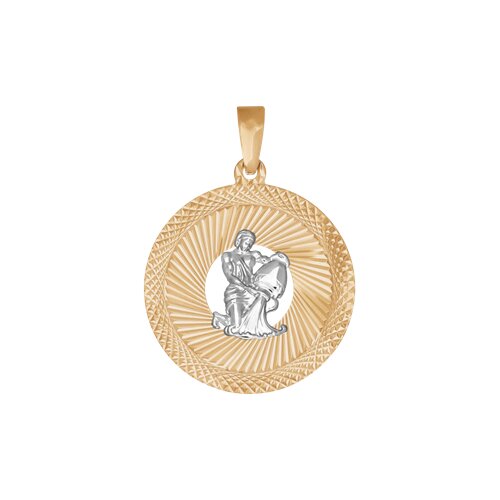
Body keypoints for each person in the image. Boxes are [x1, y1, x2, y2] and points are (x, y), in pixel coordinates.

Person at [212, 229, 289, 339]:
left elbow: (267, 260)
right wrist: (247, 288)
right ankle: (220, 318)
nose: (249, 245)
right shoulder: (228, 256)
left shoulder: (254, 254)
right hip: (236, 291)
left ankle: (234, 319)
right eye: (247, 242)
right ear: (239, 240)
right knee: (236, 328)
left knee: (270, 305)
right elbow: (230, 276)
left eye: (251, 243)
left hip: (252, 291)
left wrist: (280, 260)